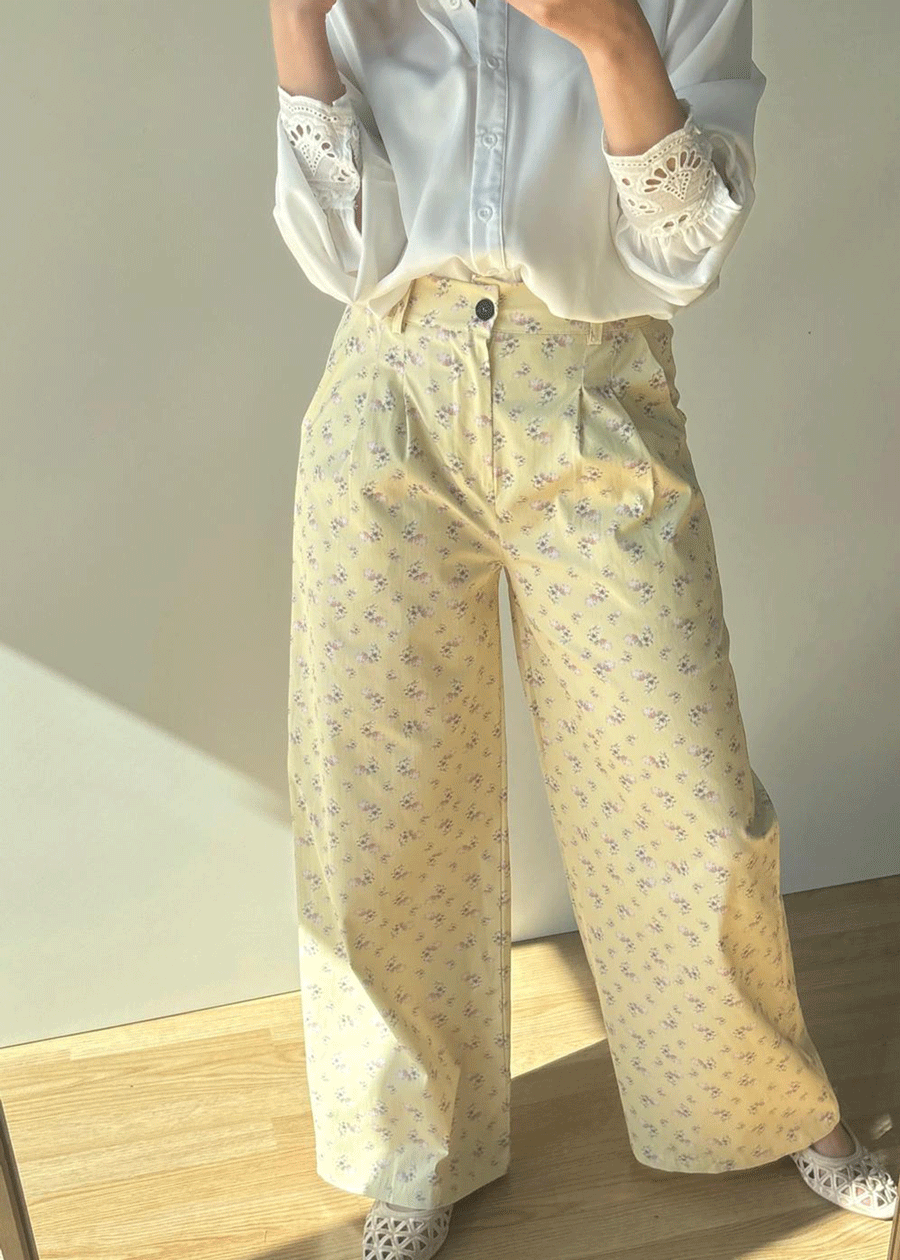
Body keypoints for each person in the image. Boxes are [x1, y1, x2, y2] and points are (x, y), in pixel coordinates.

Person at [267, 0, 898, 1255]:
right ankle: (414, 1148)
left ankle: (761, 1105)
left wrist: (606, 34)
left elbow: (681, 254)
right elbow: (339, 252)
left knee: (686, 792)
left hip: (594, 394)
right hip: (390, 397)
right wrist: (294, 19)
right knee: (379, 803)